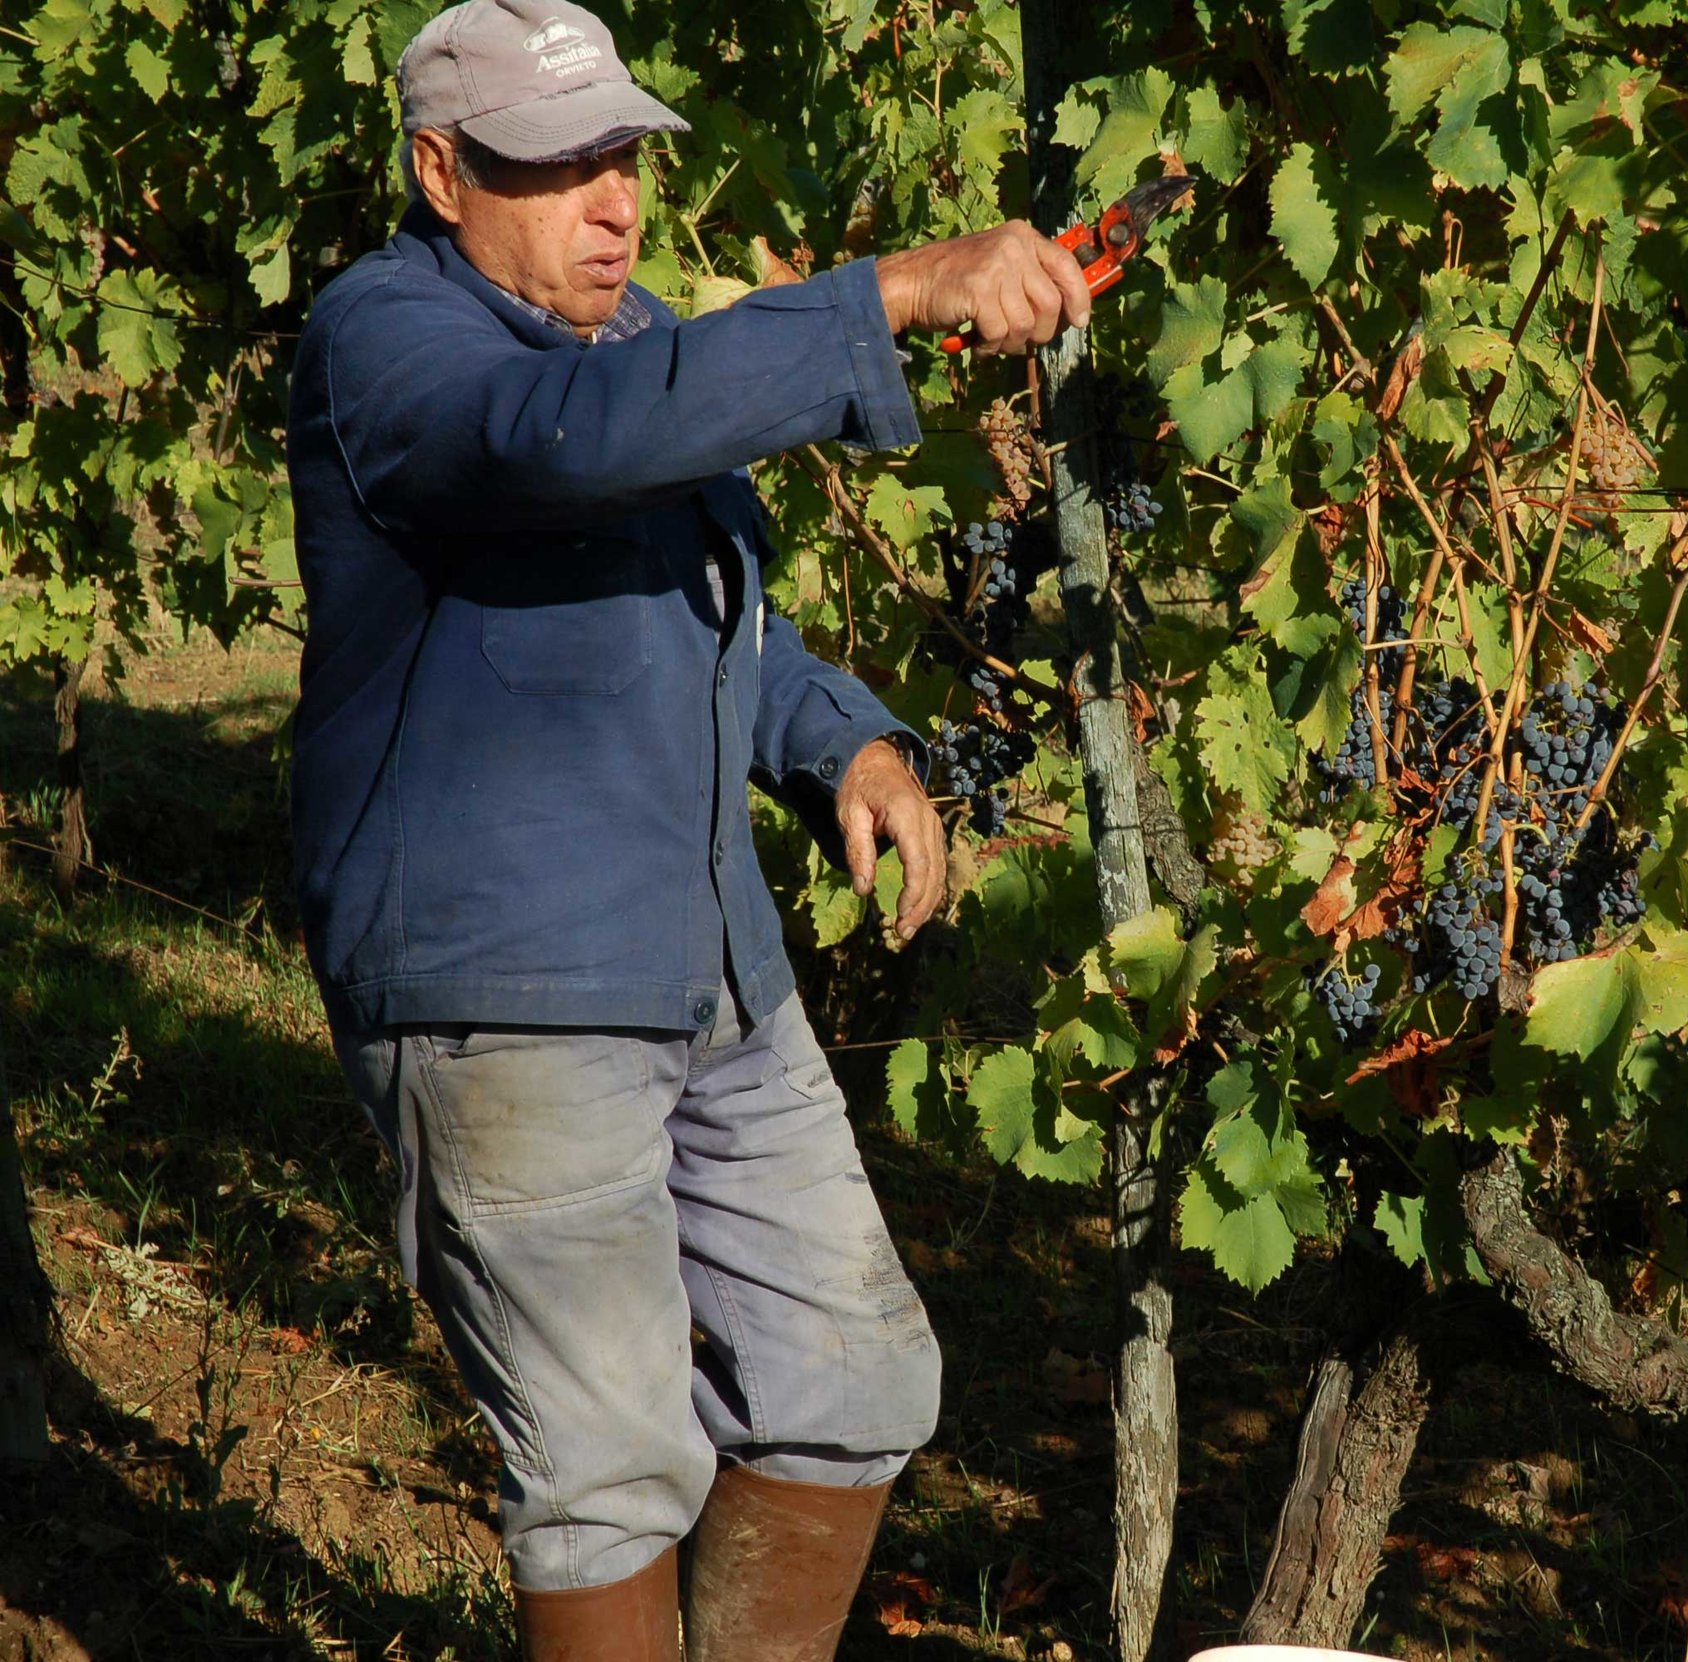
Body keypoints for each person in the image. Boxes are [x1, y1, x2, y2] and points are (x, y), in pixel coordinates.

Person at [284, 3, 1091, 1655]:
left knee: (855, 1377)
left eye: (623, 156)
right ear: (440, 171)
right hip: (502, 995)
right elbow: (568, 448)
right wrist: (890, 293)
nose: (612, 201)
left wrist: (841, 742)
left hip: (711, 964)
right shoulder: (389, 342)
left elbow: (719, 606)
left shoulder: (631, 337)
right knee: (612, 1463)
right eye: (553, 165)